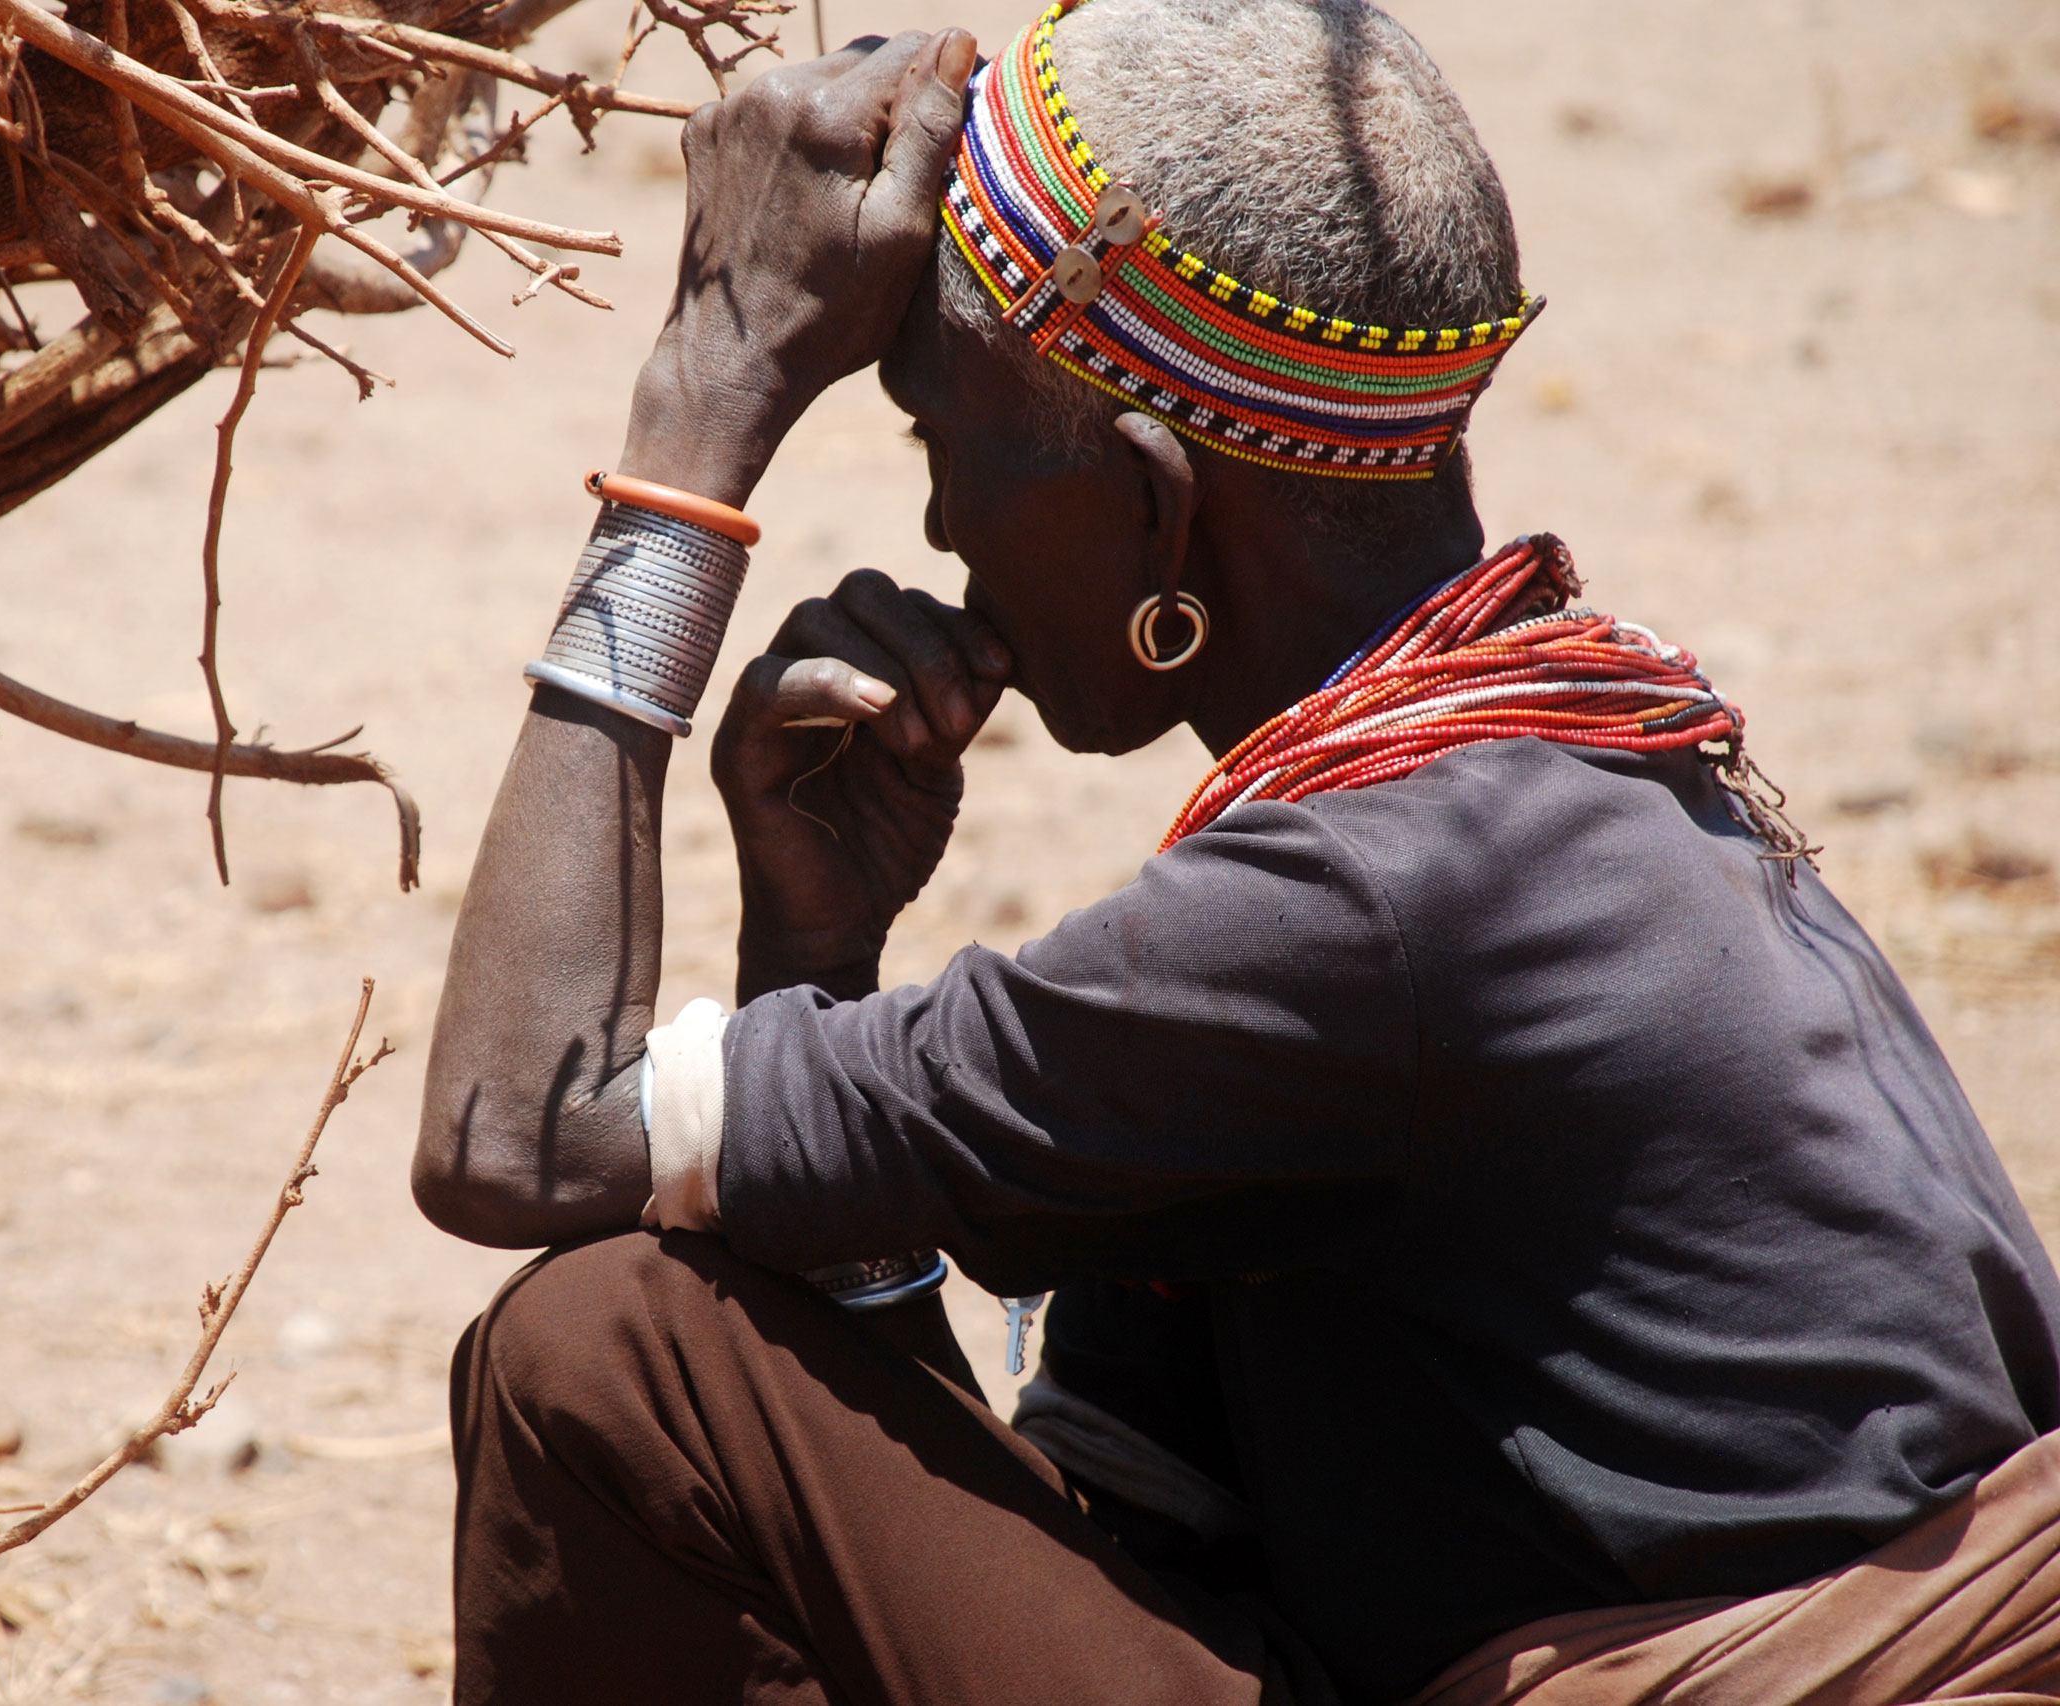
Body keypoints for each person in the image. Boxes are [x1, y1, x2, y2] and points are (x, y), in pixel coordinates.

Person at [409, 1, 2060, 1701]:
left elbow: (515, 1132)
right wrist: (814, 965)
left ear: (1151, 505)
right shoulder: (1550, 769)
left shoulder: (1366, 906)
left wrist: (700, 404)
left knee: (606, 1351)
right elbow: (1078, 1555)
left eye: (942, 444)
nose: (936, 529)